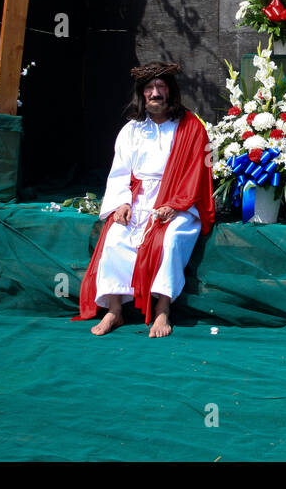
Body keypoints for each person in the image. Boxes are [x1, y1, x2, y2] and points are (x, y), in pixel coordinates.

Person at [74, 61, 214, 337]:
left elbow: (199, 172)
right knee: (115, 236)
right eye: (149, 88)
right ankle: (115, 311)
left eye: (161, 87)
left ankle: (162, 310)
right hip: (138, 199)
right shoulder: (131, 130)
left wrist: (175, 205)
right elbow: (120, 172)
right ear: (142, 94)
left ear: (170, 91)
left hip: (178, 201)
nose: (155, 93)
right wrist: (122, 203)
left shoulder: (191, 128)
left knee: (171, 238)